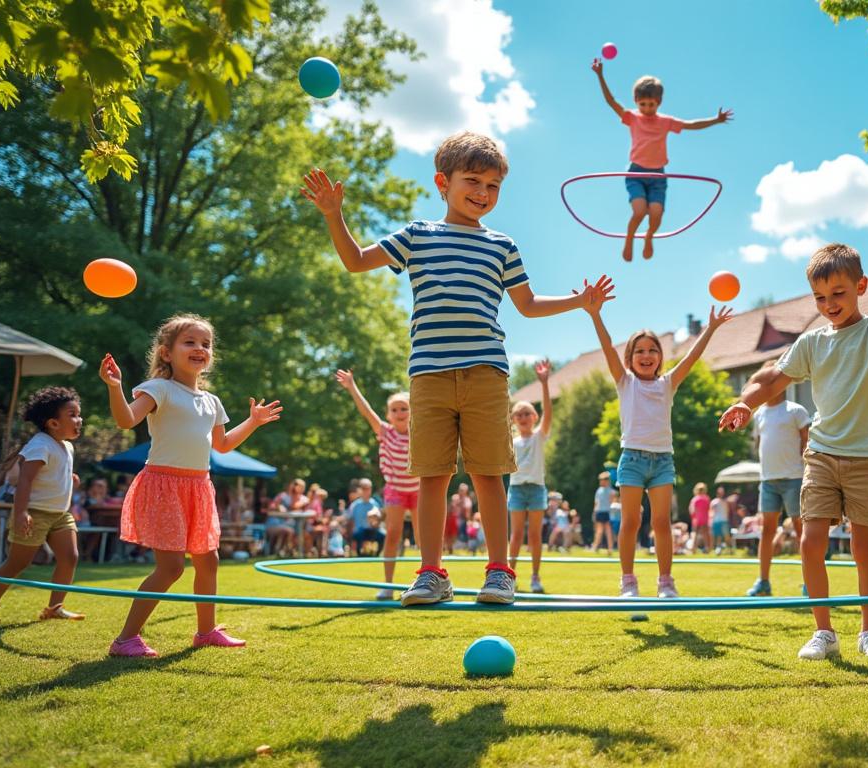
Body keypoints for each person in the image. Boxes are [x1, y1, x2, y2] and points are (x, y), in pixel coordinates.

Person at [303, 132, 613, 606]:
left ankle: (500, 572)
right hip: (429, 375)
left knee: (489, 474)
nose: (483, 193)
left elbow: (527, 304)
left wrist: (580, 302)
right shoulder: (417, 235)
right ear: (442, 183)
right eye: (473, 181)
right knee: (432, 476)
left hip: (486, 373)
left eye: (493, 186)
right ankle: (431, 573)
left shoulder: (502, 246)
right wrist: (333, 214)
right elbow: (356, 261)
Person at [719, 243, 868, 659]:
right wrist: (745, 403)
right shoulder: (811, 342)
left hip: (867, 456)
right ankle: (823, 632)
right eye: (820, 297)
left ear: (861, 286)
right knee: (810, 542)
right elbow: (771, 378)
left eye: (838, 293)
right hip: (821, 454)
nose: (829, 304)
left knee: (864, 546)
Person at [99, 314, 281, 657]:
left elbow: (222, 445)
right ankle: (125, 640)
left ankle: (206, 632)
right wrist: (114, 387)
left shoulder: (212, 402)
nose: (200, 348)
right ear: (166, 353)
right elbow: (125, 420)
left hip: (199, 487)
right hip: (164, 486)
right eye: (190, 342)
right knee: (170, 568)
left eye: (206, 344)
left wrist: (253, 422)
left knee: (208, 562)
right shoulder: (159, 389)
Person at [582, 291, 734, 597]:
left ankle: (666, 581)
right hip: (632, 460)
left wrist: (711, 328)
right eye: (639, 351)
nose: (647, 355)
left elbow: (691, 358)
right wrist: (595, 314)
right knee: (630, 521)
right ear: (630, 358)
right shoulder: (625, 382)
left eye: (653, 350)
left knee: (662, 522)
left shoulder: (668, 384)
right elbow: (608, 347)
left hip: (663, 461)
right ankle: (628, 581)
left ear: (660, 358)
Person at [589, 59, 732, 262]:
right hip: (636, 173)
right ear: (636, 101)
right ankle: (629, 238)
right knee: (640, 211)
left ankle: (649, 236)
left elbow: (691, 125)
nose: (647, 109)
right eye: (643, 104)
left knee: (656, 213)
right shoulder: (632, 118)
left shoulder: (665, 122)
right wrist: (600, 75)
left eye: (651, 104)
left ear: (659, 102)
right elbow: (611, 102)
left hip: (658, 176)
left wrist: (715, 120)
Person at [0, 387, 85, 623]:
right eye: (72, 415)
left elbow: (49, 474)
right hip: (34, 514)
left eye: (79, 414)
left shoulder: (67, 446)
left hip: (60, 514)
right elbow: (25, 480)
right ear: (53, 423)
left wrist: (68, 479)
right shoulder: (40, 445)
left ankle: (55, 608)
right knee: (18, 562)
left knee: (70, 557)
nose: (79, 420)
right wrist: (21, 513)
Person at [335, 370, 420, 597]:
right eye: (395, 410)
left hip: (419, 490)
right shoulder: (385, 432)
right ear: (388, 415)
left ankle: (428, 580)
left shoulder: (419, 432)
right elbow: (366, 411)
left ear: (412, 412)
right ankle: (388, 585)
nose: (400, 413)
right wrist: (352, 386)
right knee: (392, 534)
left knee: (423, 537)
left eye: (404, 408)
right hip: (395, 490)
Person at [746, 364, 811, 596]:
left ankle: (810, 583)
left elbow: (807, 442)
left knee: (802, 531)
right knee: (767, 531)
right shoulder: (759, 414)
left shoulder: (796, 411)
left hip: (794, 478)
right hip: (768, 481)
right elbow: (760, 444)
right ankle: (763, 582)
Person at [508, 360, 553, 593]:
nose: (523, 417)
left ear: (534, 417)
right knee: (516, 535)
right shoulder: (512, 441)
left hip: (536, 488)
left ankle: (535, 576)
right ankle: (509, 576)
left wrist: (544, 384)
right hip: (517, 489)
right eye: (519, 414)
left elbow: (548, 414)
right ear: (513, 420)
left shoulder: (538, 437)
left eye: (527, 413)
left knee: (535, 535)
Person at [347, 479, 384, 557]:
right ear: (359, 489)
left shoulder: (375, 504)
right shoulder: (355, 505)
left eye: (367, 488)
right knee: (358, 534)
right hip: (359, 532)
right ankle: (359, 554)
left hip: (373, 530)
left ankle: (376, 555)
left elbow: (379, 520)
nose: (366, 491)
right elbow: (350, 520)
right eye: (363, 488)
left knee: (383, 535)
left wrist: (375, 522)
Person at [688, 482, 712, 554]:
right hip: (705, 519)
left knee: (695, 533)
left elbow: (692, 510)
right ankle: (707, 548)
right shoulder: (706, 498)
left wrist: (693, 517)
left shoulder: (695, 499)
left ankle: (693, 549)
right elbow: (709, 509)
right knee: (705, 534)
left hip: (696, 519)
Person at [710, 486, 732, 555]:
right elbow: (711, 511)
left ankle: (730, 549)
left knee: (726, 536)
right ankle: (718, 548)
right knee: (718, 535)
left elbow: (727, 511)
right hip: (716, 521)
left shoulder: (725, 502)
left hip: (724, 520)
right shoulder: (714, 502)